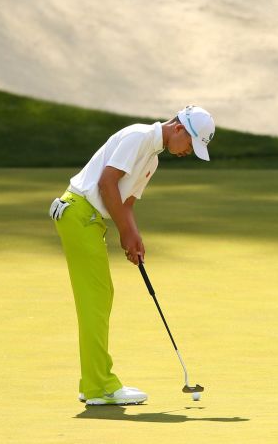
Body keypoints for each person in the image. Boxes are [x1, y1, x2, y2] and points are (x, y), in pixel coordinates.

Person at [49, 105, 216, 405]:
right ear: (178, 129)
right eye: (191, 144)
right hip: (78, 214)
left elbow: (125, 203)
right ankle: (99, 387)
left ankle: (94, 384)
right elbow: (106, 183)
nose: (188, 152)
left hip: (88, 220)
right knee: (95, 301)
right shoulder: (138, 136)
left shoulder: (152, 159)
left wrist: (133, 235)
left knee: (99, 299)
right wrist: (124, 233)